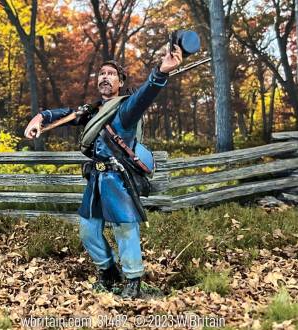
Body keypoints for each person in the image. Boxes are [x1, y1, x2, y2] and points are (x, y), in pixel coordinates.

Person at [24, 45, 183, 298]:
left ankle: (133, 280)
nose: (104, 77)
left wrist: (161, 72)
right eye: (101, 73)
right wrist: (41, 117)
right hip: (95, 179)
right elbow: (67, 114)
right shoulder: (92, 111)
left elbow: (146, 94)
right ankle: (108, 273)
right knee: (88, 230)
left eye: (111, 73)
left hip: (118, 180)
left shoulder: (126, 109)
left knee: (125, 229)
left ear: (120, 82)